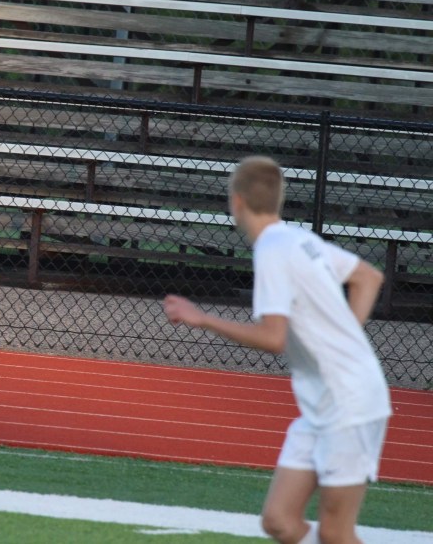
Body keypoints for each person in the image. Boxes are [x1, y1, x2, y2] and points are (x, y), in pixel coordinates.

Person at [163, 156, 390, 544]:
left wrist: (202, 318)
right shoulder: (299, 239)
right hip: (323, 403)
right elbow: (368, 277)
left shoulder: (272, 249)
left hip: (350, 402)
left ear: (236, 201)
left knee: (336, 534)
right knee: (279, 521)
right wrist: (343, 337)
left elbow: (273, 338)